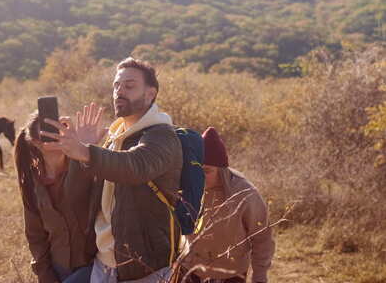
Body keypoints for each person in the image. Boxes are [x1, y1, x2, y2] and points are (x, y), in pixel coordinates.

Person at [40, 57, 183, 282]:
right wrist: (79, 156)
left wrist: (86, 152)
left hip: (144, 267)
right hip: (104, 262)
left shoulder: (162, 136)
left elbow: (134, 166)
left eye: (129, 86)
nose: (119, 91)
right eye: (116, 85)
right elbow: (79, 197)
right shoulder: (114, 139)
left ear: (150, 93)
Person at [181, 127, 275, 283]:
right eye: (197, 171)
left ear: (221, 170)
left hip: (231, 274)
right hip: (191, 270)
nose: (200, 177)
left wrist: (260, 274)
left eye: (207, 171)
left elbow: (262, 238)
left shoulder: (245, 194)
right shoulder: (188, 187)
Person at [14, 110, 98, 283]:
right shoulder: (32, 183)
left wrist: (86, 149)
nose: (59, 137)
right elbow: (36, 236)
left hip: (94, 267)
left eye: (61, 131)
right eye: (49, 133)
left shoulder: (86, 167)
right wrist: (45, 274)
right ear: (36, 143)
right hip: (58, 270)